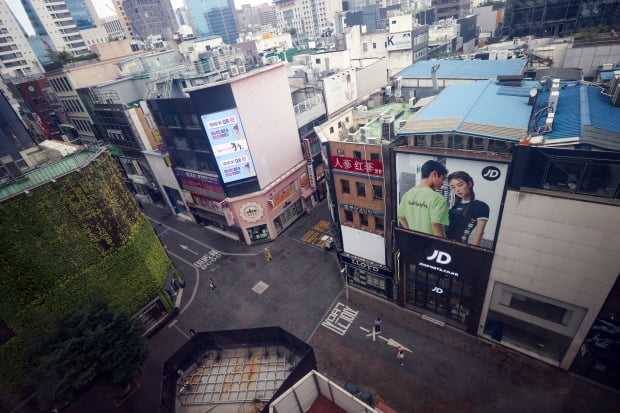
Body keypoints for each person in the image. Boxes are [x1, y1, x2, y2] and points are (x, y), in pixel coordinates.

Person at [397, 160, 449, 237]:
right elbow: (436, 224)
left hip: (414, 242)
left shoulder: (408, 194)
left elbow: (400, 216)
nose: (443, 183)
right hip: (430, 246)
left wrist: (411, 231)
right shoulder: (438, 199)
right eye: (442, 178)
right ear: (434, 174)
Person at [445, 171, 489, 246]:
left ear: (469, 184)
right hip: (444, 243)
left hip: (460, 247)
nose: (457, 190)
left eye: (460, 185)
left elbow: (479, 233)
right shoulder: (454, 205)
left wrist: (473, 251)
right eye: (453, 187)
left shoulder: (481, 206)